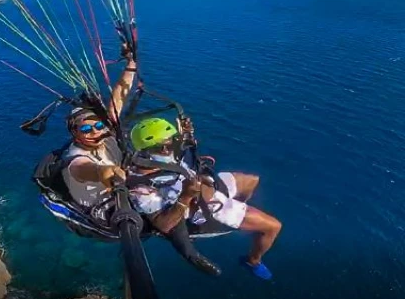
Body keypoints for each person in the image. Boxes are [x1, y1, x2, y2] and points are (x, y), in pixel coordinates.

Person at [128, 117, 282, 280]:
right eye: (162, 147)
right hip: (207, 209)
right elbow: (163, 224)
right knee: (273, 227)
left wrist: (187, 134)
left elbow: (186, 148)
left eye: (172, 143)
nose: (168, 150)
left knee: (251, 180)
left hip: (206, 187)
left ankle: (244, 216)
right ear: (144, 152)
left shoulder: (161, 157)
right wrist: (186, 196)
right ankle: (253, 260)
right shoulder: (142, 188)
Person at [61, 45, 136, 222]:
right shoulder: (76, 160)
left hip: (123, 191)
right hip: (100, 209)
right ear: (75, 133)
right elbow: (86, 169)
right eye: (86, 129)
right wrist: (106, 172)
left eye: (99, 126)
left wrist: (131, 63)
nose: (95, 131)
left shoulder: (104, 133)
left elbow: (118, 98)